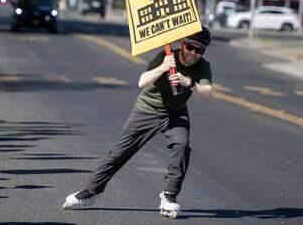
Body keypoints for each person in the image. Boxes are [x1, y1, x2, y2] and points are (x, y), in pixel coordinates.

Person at [63, 27, 214, 218]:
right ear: (182, 44)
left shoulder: (202, 66)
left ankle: (169, 195)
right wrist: (163, 67)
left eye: (199, 50)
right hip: (147, 110)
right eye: (190, 46)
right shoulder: (165, 56)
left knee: (181, 145)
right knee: (120, 152)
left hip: (175, 113)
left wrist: (189, 83)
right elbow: (142, 82)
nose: (193, 53)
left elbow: (208, 94)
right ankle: (91, 191)